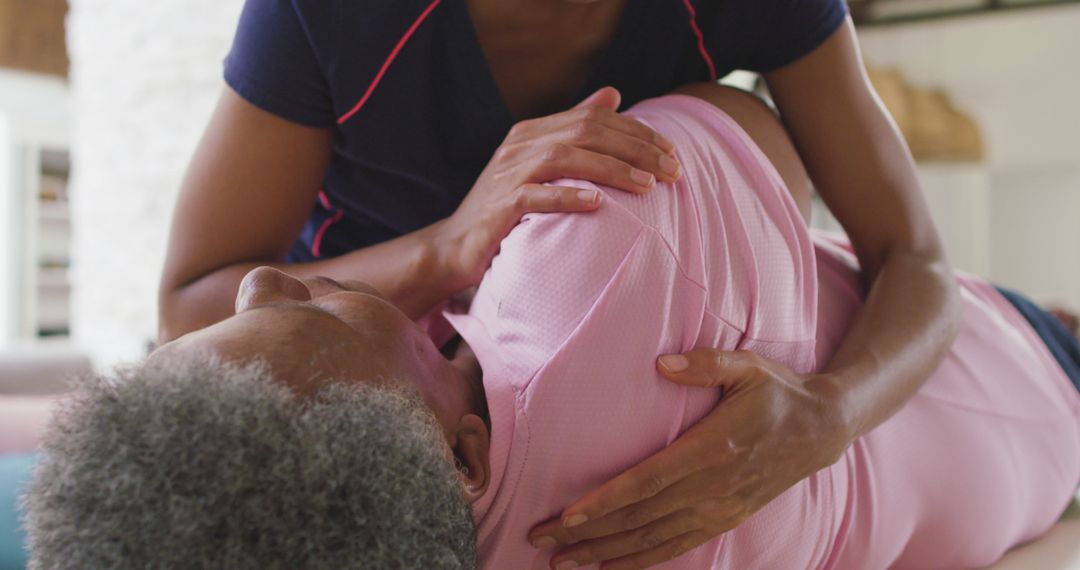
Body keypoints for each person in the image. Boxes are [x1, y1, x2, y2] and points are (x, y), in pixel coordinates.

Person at [26, 86, 1079, 569]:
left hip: (1012, 465)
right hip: (1017, 367)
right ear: (462, 452)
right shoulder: (595, 265)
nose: (271, 281)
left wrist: (433, 268)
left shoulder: (417, 523)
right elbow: (759, 132)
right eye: (319, 315)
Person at [158, 3, 961, 563]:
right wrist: (444, 250)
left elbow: (917, 258)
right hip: (364, 407)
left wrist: (830, 418)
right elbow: (191, 306)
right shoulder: (332, 17)